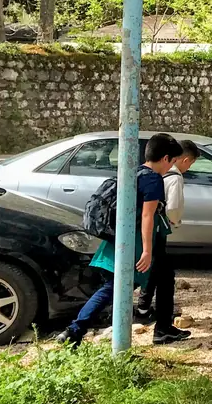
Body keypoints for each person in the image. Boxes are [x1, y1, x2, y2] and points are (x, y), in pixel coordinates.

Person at [58, 134, 191, 347]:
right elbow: (147, 216)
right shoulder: (153, 179)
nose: (171, 167)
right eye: (172, 161)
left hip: (120, 238)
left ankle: (163, 328)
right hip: (136, 245)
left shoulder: (134, 173)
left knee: (163, 277)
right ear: (165, 158)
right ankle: (74, 330)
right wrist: (147, 251)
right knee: (114, 288)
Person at [135, 139, 199, 328]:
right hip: (157, 229)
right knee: (159, 271)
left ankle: (147, 312)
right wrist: (174, 221)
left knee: (157, 271)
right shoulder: (174, 177)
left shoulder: (152, 174)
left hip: (147, 228)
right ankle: (154, 318)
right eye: (190, 164)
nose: (189, 168)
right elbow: (173, 207)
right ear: (184, 160)